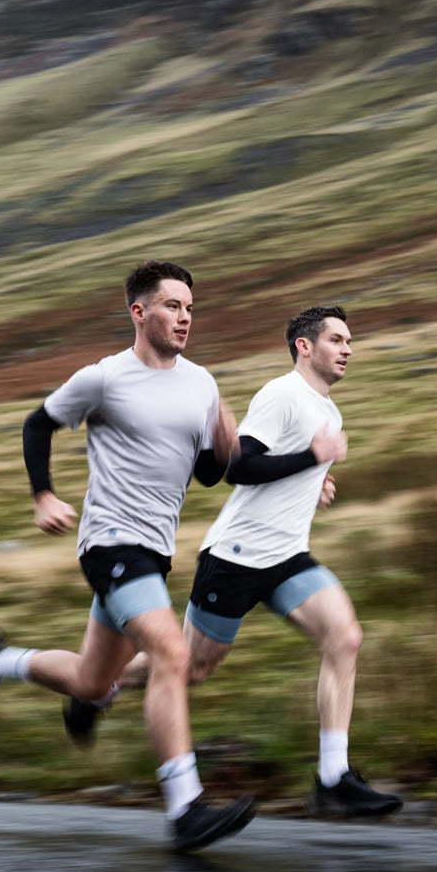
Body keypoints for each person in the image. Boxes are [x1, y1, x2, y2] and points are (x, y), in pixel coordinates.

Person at [0, 259, 255, 853]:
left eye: (190, 308)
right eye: (172, 306)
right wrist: (42, 495)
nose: (184, 317)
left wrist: (225, 446)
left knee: (93, 682)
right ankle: (184, 805)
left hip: (154, 552)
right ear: (139, 312)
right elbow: (39, 425)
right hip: (110, 542)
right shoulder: (104, 379)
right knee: (169, 651)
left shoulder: (203, 384)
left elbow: (209, 474)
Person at [65, 305, 402, 819]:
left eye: (350, 341)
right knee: (193, 670)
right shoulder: (282, 394)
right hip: (236, 559)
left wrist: (312, 483)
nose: (348, 349)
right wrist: (312, 460)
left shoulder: (329, 412)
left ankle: (333, 777)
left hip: (287, 556)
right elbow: (238, 466)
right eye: (337, 340)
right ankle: (98, 690)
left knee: (345, 637)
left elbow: (283, 466)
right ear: (304, 347)